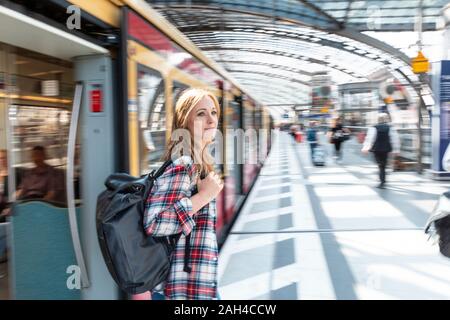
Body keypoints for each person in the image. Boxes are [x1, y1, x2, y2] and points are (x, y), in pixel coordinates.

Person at [137, 88, 223, 300]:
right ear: (186, 121)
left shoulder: (201, 163)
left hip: (197, 284)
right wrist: (203, 197)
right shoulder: (184, 164)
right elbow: (154, 223)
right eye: (201, 114)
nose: (211, 120)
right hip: (179, 291)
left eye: (213, 112)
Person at [362, 113, 400, 189]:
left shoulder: (374, 127)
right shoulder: (390, 128)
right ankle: (383, 181)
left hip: (377, 149)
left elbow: (370, 138)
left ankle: (382, 181)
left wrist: (366, 147)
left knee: (380, 165)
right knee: (383, 165)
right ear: (387, 119)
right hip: (386, 149)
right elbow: (395, 139)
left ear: (378, 119)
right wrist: (397, 149)